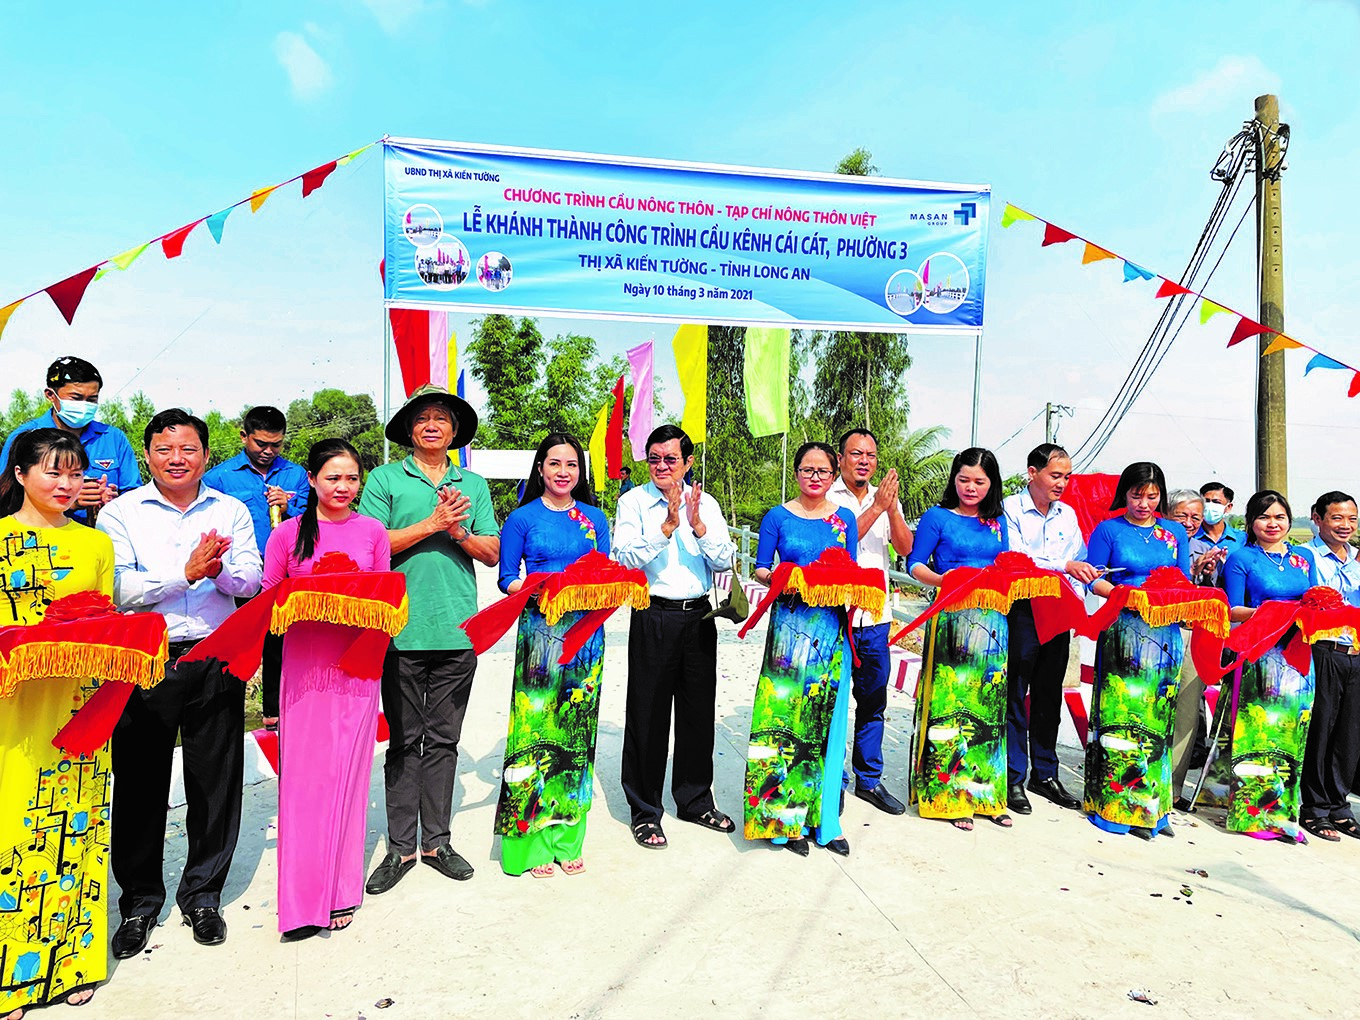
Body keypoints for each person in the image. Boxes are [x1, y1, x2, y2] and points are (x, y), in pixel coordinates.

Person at [97, 409, 262, 954]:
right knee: (142, 781)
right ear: (148, 455)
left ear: (206, 457)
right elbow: (119, 588)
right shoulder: (121, 513)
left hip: (216, 653)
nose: (176, 459)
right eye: (165, 450)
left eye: (188, 450)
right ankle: (140, 903)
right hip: (146, 657)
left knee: (214, 780)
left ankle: (203, 896)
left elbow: (252, 577)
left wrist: (220, 572)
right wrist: (185, 573)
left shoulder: (232, 509)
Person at [360, 385, 499, 894]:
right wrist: (431, 523)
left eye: (442, 417)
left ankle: (437, 841)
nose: (433, 424)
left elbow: (490, 552)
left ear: (455, 430)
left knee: (443, 739)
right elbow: (370, 545)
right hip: (398, 629)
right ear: (410, 430)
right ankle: (400, 848)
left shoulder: (474, 484)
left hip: (457, 629)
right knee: (403, 741)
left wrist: (458, 531)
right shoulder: (384, 479)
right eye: (423, 418)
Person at [0, 430, 115, 1013]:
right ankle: (12, 977)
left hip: (81, 704)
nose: (66, 485)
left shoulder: (95, 544)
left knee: (79, 829)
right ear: (19, 474)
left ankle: (73, 964)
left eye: (75, 474)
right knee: (15, 833)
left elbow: (106, 620)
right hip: (13, 706)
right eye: (52, 472)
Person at [261, 439, 393, 934]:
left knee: (350, 775)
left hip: (358, 668)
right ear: (312, 480)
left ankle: (341, 891)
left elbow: (385, 599)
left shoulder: (373, 532)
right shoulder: (288, 536)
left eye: (352, 478)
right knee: (304, 780)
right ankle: (301, 902)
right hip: (306, 668)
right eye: (333, 477)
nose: (343, 487)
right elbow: (270, 603)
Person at [494, 433, 612, 876]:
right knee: (534, 729)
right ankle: (530, 840)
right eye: (555, 464)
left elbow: (604, 572)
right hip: (540, 633)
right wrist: (537, 590)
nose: (564, 472)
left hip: (586, 635)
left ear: (580, 473)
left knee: (576, 732)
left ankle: (567, 836)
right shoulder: (521, 520)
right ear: (540, 469)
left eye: (572, 465)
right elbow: (507, 579)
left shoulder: (595, 518)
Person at [615, 425, 736, 849]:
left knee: (697, 712)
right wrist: (665, 527)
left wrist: (697, 525)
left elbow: (724, 560)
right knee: (647, 715)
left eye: (671, 458)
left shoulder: (707, 504)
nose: (662, 466)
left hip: (699, 616)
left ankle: (695, 799)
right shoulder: (632, 502)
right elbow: (624, 556)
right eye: (654, 459)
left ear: (687, 462)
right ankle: (645, 811)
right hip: (654, 614)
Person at [744, 442, 859, 857]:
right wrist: (782, 575)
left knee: (827, 725)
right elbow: (760, 567)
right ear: (796, 473)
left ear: (834, 475)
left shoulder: (845, 519)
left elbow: (851, 572)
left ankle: (825, 820)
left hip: (831, 635)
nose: (815, 477)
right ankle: (782, 819)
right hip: (788, 636)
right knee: (785, 723)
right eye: (808, 469)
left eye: (824, 471)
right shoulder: (777, 516)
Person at [1202, 491, 1317, 842]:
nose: (1273, 524)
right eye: (1265, 517)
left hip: (1297, 656)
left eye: (1280, 517)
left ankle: (1282, 814)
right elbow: (1231, 610)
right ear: (1251, 522)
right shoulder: (1241, 558)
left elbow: (1313, 600)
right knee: (1257, 734)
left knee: (1290, 735)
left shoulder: (1303, 558)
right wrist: (1276, 612)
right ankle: (1252, 814)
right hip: (1258, 655)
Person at [1084, 462, 1191, 840]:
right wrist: (1127, 597)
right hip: (1124, 630)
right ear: (1124, 494)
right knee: (1122, 718)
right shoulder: (1108, 530)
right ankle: (1116, 806)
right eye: (1136, 495)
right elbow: (1093, 578)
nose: (1144, 503)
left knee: (1158, 719)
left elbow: (1185, 582)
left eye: (1152, 495)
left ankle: (1152, 808)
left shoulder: (1175, 532)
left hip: (1166, 635)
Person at [907, 448, 1012, 831]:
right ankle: (948, 796)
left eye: (980, 482)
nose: (971, 487)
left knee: (988, 704)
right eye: (964, 479)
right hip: (951, 618)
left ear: (991, 484)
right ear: (954, 479)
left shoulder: (998, 521)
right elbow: (914, 563)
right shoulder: (937, 517)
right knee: (951, 706)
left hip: (994, 621)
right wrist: (944, 581)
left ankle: (987, 794)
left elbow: (1006, 563)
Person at [1001, 443, 1096, 813]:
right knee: (1015, 693)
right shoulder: (1009, 508)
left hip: (1058, 608)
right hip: (1022, 608)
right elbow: (1016, 556)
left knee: (1048, 695)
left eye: (1067, 477)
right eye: (1056, 475)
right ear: (1032, 472)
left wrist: (1079, 575)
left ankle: (1045, 773)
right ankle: (1012, 777)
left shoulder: (1067, 514)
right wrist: (1064, 565)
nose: (1062, 483)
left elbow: (1080, 559)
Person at [204, 406, 308, 731]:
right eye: (260, 443)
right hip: (241, 574)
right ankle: (227, 714)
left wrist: (289, 506)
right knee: (240, 644)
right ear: (243, 436)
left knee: (282, 643)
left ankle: (275, 715)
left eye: (275, 445)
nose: (267, 452)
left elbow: (316, 519)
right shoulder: (219, 477)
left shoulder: (296, 475)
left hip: (287, 575)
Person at [828, 427, 913, 816]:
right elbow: (839, 541)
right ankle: (834, 780)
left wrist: (891, 508)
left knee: (873, 702)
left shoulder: (886, 498)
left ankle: (869, 780)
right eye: (856, 453)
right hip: (835, 614)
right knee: (832, 701)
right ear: (841, 458)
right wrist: (876, 507)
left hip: (875, 618)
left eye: (871, 455)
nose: (864, 460)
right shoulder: (826, 496)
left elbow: (907, 549)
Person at [0, 356, 140, 526]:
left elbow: (133, 496)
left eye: (92, 400)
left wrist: (113, 501)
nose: (84, 405)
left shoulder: (113, 438)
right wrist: (68, 502)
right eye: (76, 397)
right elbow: (8, 497)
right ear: (51, 395)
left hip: (102, 537)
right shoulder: (26, 437)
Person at [1300, 491, 1360, 840]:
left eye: (1351, 519)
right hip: (1322, 650)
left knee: (1349, 734)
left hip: (1355, 652)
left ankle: (1339, 805)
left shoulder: (1357, 557)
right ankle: (1314, 807)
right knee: (1321, 729)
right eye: (1337, 518)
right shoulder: (1305, 557)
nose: (1345, 526)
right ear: (1318, 518)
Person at [1168, 489, 1211, 808]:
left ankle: (1174, 787)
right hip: (1161, 631)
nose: (1189, 522)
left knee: (1186, 712)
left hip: (1194, 635)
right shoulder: (1158, 541)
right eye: (1181, 515)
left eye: (1195, 517)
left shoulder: (1210, 548)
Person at [1190, 481, 1243, 587]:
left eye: (1216, 502)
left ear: (1228, 507)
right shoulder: (1190, 537)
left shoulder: (1242, 539)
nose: (1210, 506)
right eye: (1206, 501)